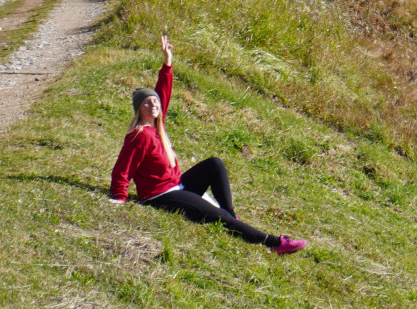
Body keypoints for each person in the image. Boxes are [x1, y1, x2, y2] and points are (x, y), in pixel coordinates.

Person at [108, 34, 306, 255]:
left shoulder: (157, 127)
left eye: (154, 101)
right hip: (160, 195)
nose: (153, 103)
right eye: (146, 102)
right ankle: (273, 243)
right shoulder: (140, 135)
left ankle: (232, 215)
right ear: (139, 110)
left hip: (177, 184)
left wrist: (167, 63)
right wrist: (118, 196)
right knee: (215, 215)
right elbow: (122, 167)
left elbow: (163, 92)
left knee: (215, 164)